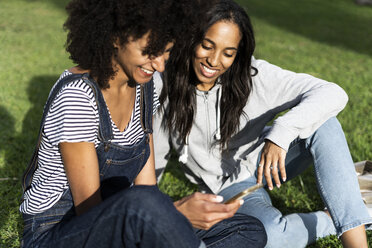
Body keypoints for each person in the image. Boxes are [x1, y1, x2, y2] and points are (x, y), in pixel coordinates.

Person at [153, 0, 372, 247]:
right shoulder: (165, 84)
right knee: (270, 236)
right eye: (207, 46)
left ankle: (355, 238)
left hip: (266, 160)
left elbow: (333, 92)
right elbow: (154, 156)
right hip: (228, 186)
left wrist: (281, 133)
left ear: (238, 53)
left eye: (228, 53)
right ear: (192, 38)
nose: (214, 61)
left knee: (325, 124)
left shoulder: (254, 76)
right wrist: (150, 208)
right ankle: (339, 213)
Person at [19, 0, 206, 247]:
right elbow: (90, 212)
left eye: (167, 51)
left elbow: (148, 189)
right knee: (146, 206)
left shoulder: (147, 84)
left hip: (122, 216)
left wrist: (161, 218)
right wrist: (168, 216)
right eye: (150, 52)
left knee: (244, 229)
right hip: (60, 230)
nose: (160, 64)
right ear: (116, 37)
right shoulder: (78, 97)